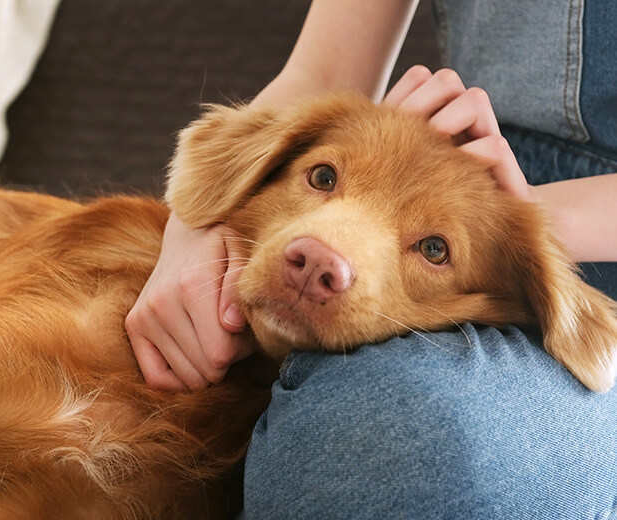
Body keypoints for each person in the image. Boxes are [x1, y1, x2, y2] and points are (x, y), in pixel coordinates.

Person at [125, 1, 617, 517]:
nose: (319, 261)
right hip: (451, 179)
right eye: (324, 178)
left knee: (403, 431)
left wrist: (519, 221)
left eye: (433, 249)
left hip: (546, 294)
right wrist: (190, 223)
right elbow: (324, 73)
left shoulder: (510, 245)